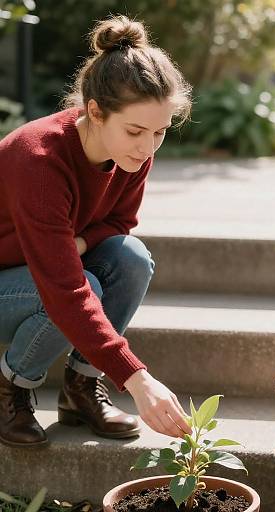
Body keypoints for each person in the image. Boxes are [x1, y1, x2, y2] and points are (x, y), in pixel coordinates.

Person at [0, 15, 194, 447]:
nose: (147, 148)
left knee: (131, 258)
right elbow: (65, 290)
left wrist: (81, 242)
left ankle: (81, 388)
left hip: (40, 270)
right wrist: (137, 378)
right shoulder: (39, 159)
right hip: (7, 282)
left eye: (160, 132)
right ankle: (10, 387)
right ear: (94, 112)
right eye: (136, 131)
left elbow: (119, 222)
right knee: (81, 284)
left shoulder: (132, 152)